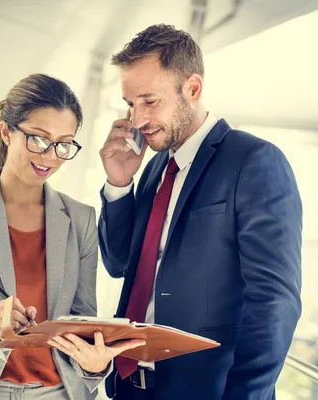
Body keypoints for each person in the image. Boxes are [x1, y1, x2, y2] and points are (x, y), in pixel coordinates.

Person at [98, 24, 302, 400]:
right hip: (129, 387)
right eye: (130, 104)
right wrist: (119, 185)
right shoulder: (155, 168)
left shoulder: (254, 161)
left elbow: (274, 300)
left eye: (150, 101)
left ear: (192, 88)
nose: (138, 119)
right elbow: (118, 264)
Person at [0, 73, 143, 400]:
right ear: (6, 132)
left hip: (57, 392)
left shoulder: (80, 219)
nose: (50, 155)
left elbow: (82, 325)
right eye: (38, 138)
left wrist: (95, 366)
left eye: (64, 144)